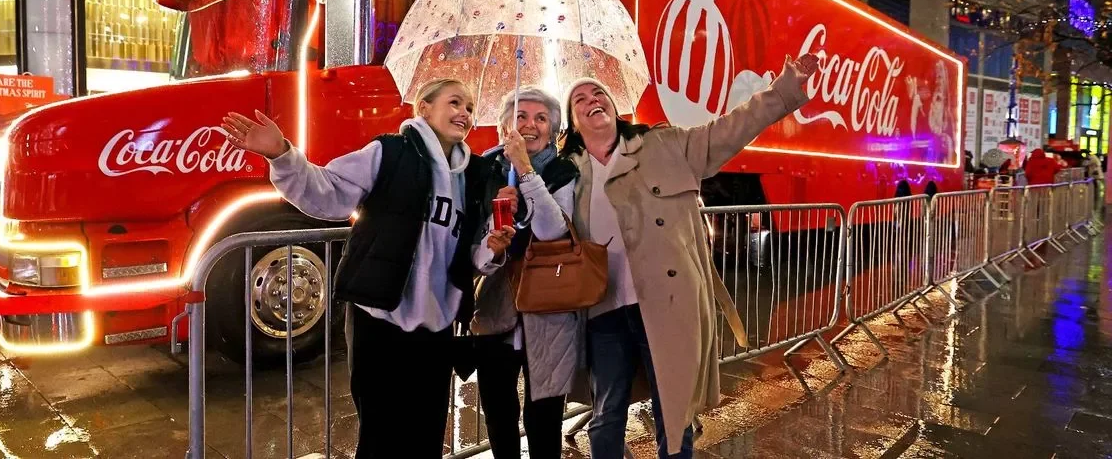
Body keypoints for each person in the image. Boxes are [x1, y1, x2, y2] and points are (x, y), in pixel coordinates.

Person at [221, 78, 513, 459]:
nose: (465, 114)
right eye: (455, 102)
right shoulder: (389, 152)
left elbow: (468, 253)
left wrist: (490, 249)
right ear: (423, 109)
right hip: (380, 318)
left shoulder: (473, 176)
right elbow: (327, 192)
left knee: (426, 438)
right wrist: (281, 153)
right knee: (380, 437)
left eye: (471, 108)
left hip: (437, 331)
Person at [560, 53, 817, 459]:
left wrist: (782, 91)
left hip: (667, 305)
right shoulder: (567, 174)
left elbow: (729, 130)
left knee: (674, 414)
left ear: (613, 106)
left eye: (599, 92)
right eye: (579, 98)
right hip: (603, 310)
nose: (592, 98)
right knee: (606, 416)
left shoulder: (663, 144)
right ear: (573, 122)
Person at [471, 86, 579, 459]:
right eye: (520, 116)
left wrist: (527, 172)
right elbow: (474, 254)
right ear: (505, 126)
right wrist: (493, 241)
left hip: (549, 309)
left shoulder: (564, 171)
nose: (530, 125)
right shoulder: (483, 168)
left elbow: (554, 231)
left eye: (541, 118)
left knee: (545, 416)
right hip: (495, 307)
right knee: (499, 414)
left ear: (552, 128)